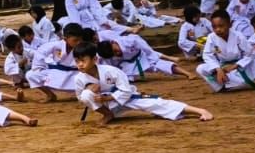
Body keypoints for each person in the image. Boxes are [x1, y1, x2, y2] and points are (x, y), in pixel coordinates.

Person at [73, 43, 213, 125]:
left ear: (95, 59)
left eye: (83, 60)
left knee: (157, 104)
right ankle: (107, 115)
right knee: (85, 94)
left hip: (125, 97)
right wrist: (90, 89)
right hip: (106, 106)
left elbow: (126, 90)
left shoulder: (111, 71)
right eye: (77, 61)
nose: (79, 64)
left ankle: (200, 111)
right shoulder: (79, 79)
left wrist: (107, 97)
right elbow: (81, 98)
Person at [198, 8, 255, 92]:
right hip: (223, 67)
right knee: (201, 68)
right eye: (214, 27)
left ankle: (234, 83)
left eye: (221, 26)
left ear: (230, 24)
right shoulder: (211, 37)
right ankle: (220, 87)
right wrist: (218, 69)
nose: (218, 29)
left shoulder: (238, 36)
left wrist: (235, 66)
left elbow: (249, 54)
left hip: (244, 65)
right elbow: (207, 55)